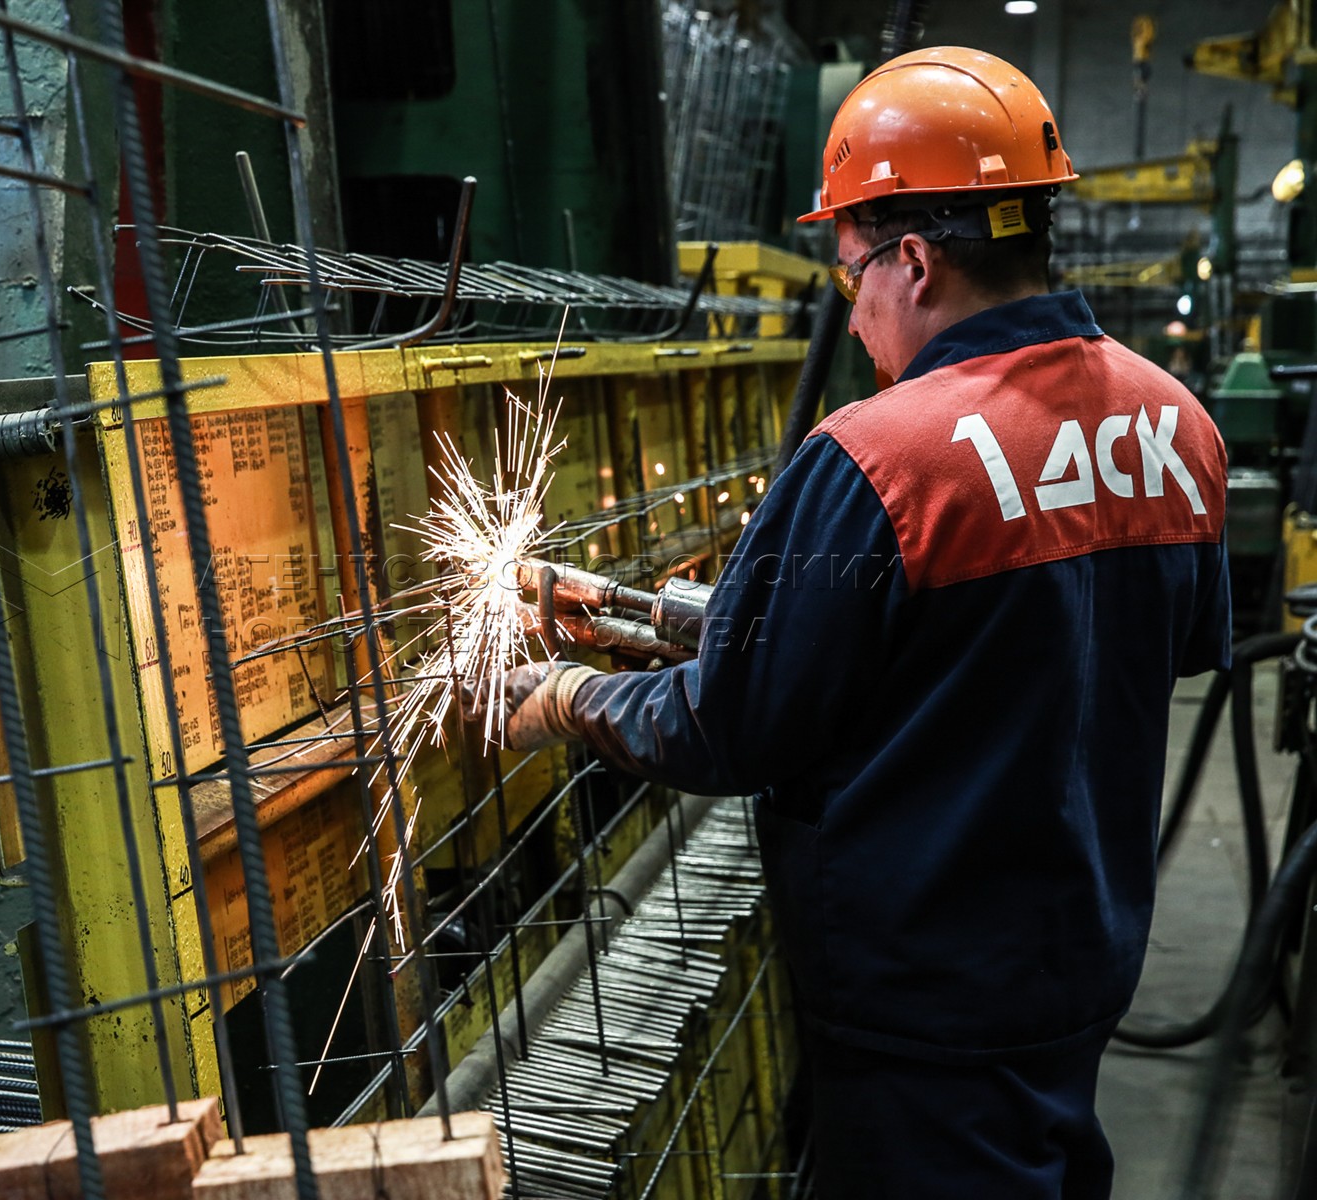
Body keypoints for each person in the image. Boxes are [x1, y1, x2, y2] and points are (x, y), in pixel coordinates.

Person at [502, 47, 1230, 1199]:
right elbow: (1079, 647)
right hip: (1080, 962)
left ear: (916, 260)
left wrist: (570, 698)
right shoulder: (1178, 425)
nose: (854, 323)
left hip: (922, 1000)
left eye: (852, 280)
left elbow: (732, 728)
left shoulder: (879, 456)